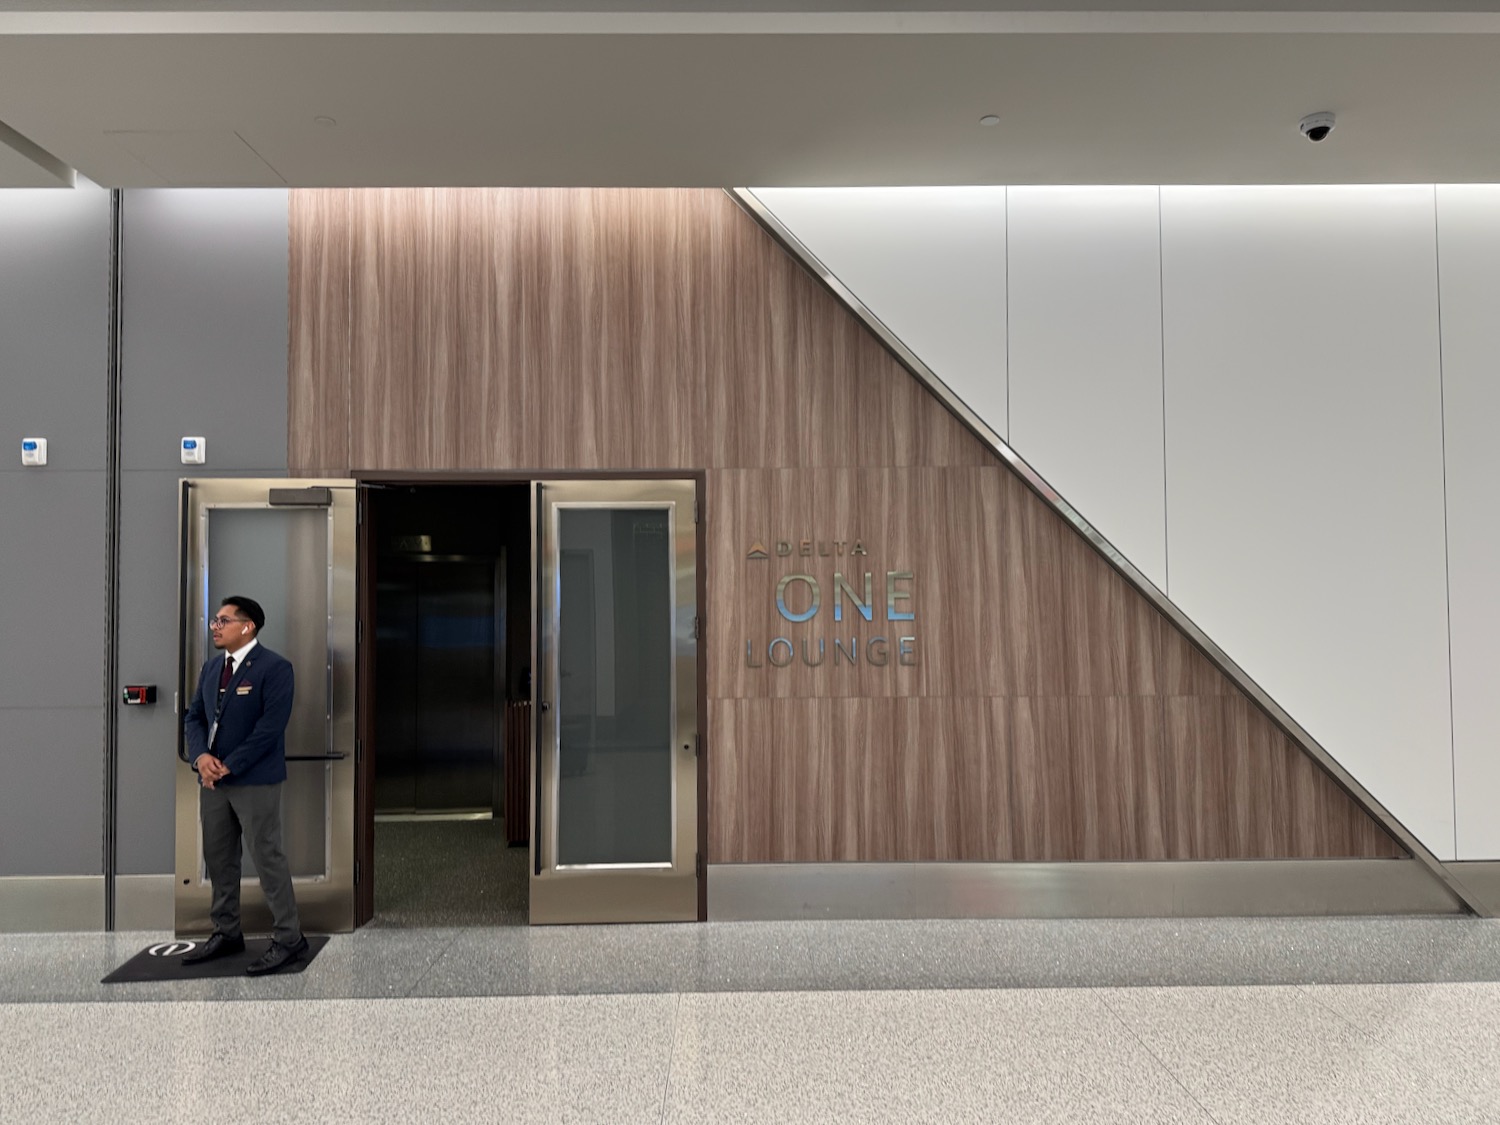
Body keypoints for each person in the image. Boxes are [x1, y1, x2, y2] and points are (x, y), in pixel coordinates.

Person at [181, 595, 308, 975]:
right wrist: (201, 758)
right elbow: (194, 718)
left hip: (254, 780)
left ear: (247, 626)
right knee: (220, 859)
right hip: (213, 782)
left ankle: (289, 938)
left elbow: (270, 727)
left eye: (223, 621)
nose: (215, 627)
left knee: (267, 857)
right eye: (215, 621)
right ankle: (226, 931)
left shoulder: (275, 667)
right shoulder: (210, 669)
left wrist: (228, 766)